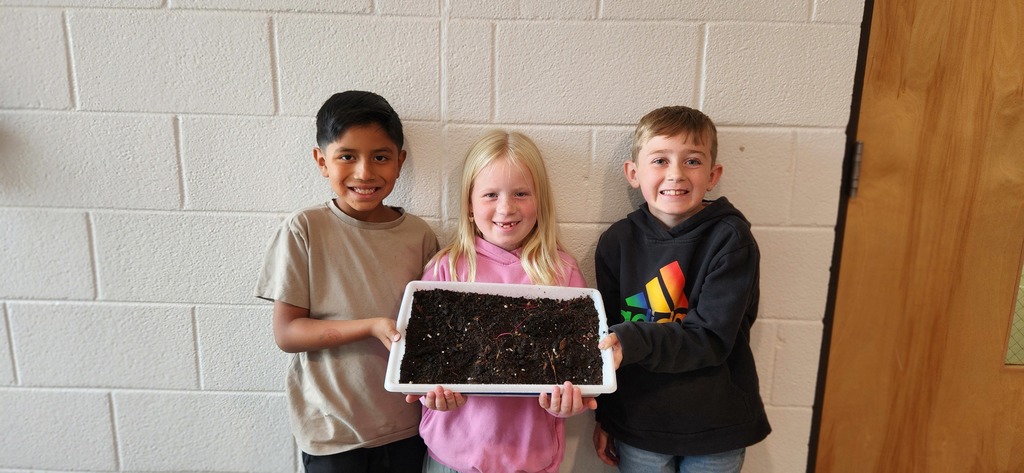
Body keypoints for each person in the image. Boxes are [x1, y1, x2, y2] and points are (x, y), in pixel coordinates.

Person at [255, 91, 439, 473]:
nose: (365, 173)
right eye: (347, 157)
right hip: (332, 434)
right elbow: (287, 333)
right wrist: (371, 326)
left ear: (400, 162)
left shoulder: (419, 236)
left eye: (381, 157)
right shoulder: (304, 229)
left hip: (407, 427)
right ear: (322, 161)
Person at [592, 106, 771, 473]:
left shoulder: (731, 241)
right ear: (633, 173)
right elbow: (605, 343)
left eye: (692, 161)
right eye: (660, 160)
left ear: (713, 175)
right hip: (639, 426)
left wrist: (634, 340)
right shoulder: (616, 243)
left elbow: (710, 337)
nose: (675, 174)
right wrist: (607, 419)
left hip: (716, 429)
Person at [407, 129, 597, 473]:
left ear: (540, 201)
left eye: (521, 193)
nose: (506, 208)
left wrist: (569, 404)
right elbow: (420, 359)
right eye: (490, 194)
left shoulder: (561, 272)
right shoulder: (446, 269)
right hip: (452, 458)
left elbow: (579, 370)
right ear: (469, 204)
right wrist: (429, 394)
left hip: (531, 460)